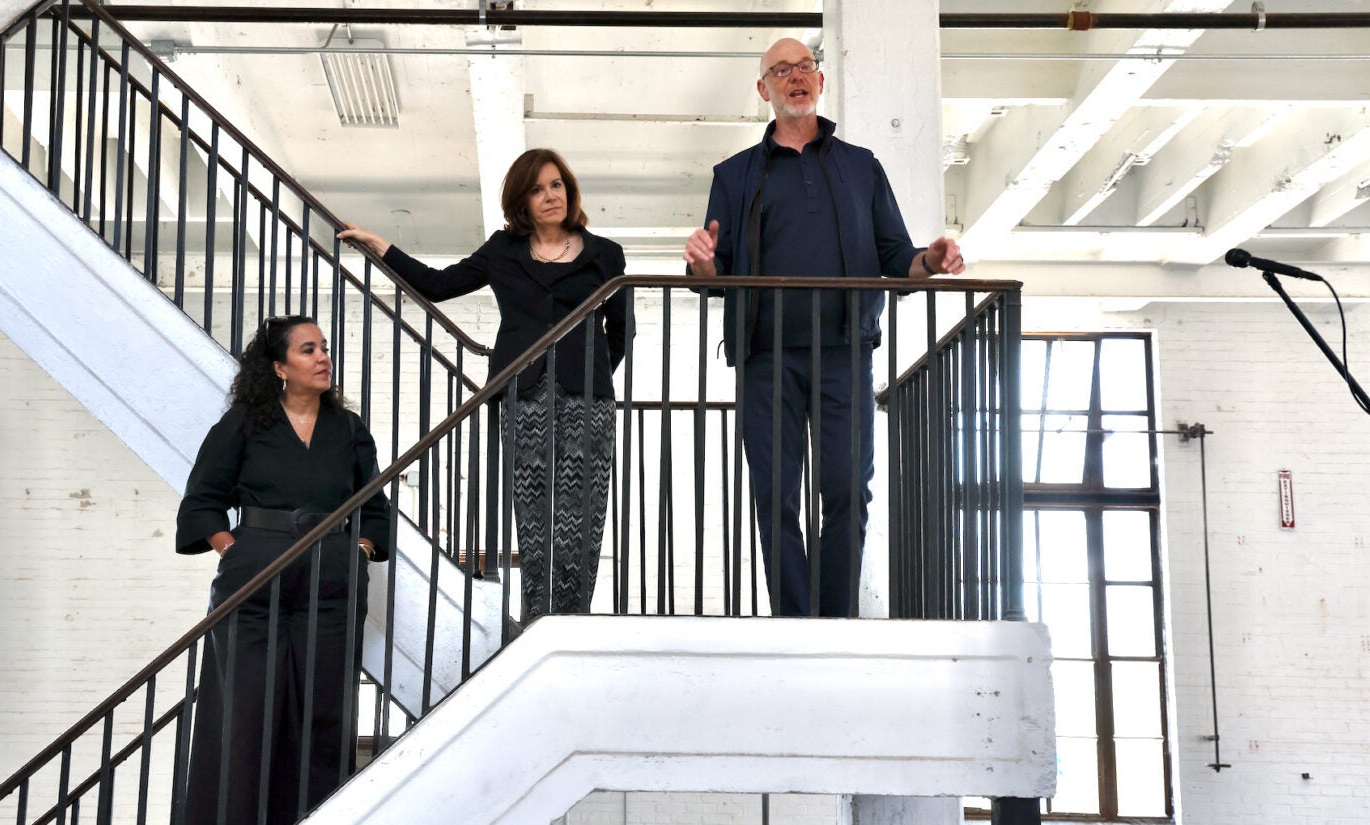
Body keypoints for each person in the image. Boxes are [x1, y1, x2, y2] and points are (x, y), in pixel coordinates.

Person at [682, 38, 966, 619]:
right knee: (774, 494)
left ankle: (836, 619)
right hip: (765, 357)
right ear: (764, 90)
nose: (796, 77)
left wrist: (931, 262)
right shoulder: (734, 176)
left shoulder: (860, 167)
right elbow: (715, 273)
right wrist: (704, 261)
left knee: (845, 490)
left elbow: (897, 256)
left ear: (820, 82)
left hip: (844, 353)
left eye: (805, 67)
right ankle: (793, 619)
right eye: (780, 71)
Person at [338, 148, 631, 623]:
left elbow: (620, 332)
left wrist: (590, 371)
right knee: (535, 520)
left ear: (569, 190)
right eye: (536, 189)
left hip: (587, 401)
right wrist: (382, 248)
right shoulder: (503, 250)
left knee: (582, 520)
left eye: (556, 185)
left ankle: (575, 621)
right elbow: (438, 284)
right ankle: (538, 621)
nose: (549, 195)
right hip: (524, 396)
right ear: (522, 200)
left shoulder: (606, 254)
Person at [174, 315, 393, 825]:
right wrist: (234, 550)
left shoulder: (348, 429)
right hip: (255, 574)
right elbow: (203, 499)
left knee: (324, 712)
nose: (323, 358)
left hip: (332, 578)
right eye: (308, 350)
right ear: (278, 367)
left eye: (325, 348)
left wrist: (357, 551)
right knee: (245, 713)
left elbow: (374, 506)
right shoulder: (244, 425)